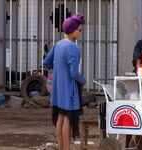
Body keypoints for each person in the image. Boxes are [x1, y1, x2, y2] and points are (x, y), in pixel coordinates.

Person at [43, 14, 86, 150]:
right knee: (67, 119)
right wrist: (83, 80)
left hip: (57, 89)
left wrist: (58, 71)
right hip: (69, 89)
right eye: (79, 30)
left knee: (60, 118)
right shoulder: (73, 48)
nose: (80, 32)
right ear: (73, 30)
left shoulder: (58, 45)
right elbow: (74, 73)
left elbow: (46, 62)